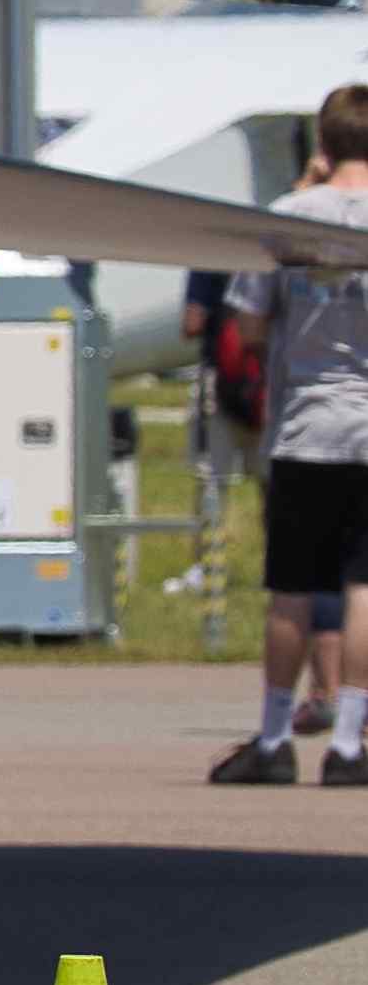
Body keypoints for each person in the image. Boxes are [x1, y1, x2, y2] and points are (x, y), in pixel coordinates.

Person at [207, 82, 368, 786]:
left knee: (293, 588)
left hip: (304, 424)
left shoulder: (288, 217)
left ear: (322, 144)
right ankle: (350, 743)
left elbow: (246, 325)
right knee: (363, 585)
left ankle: (274, 736)